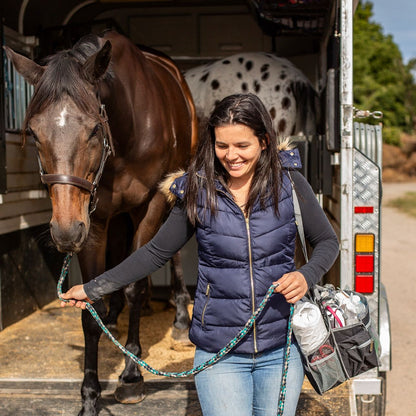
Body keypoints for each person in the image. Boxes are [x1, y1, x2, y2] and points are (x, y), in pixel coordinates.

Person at [61, 93, 339, 416]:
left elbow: (328, 243)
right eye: (222, 145)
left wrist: (305, 276)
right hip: (220, 353)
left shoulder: (289, 184)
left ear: (263, 141)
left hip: (281, 349)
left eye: (242, 146)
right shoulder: (197, 190)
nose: (231, 156)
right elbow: (153, 254)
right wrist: (94, 288)